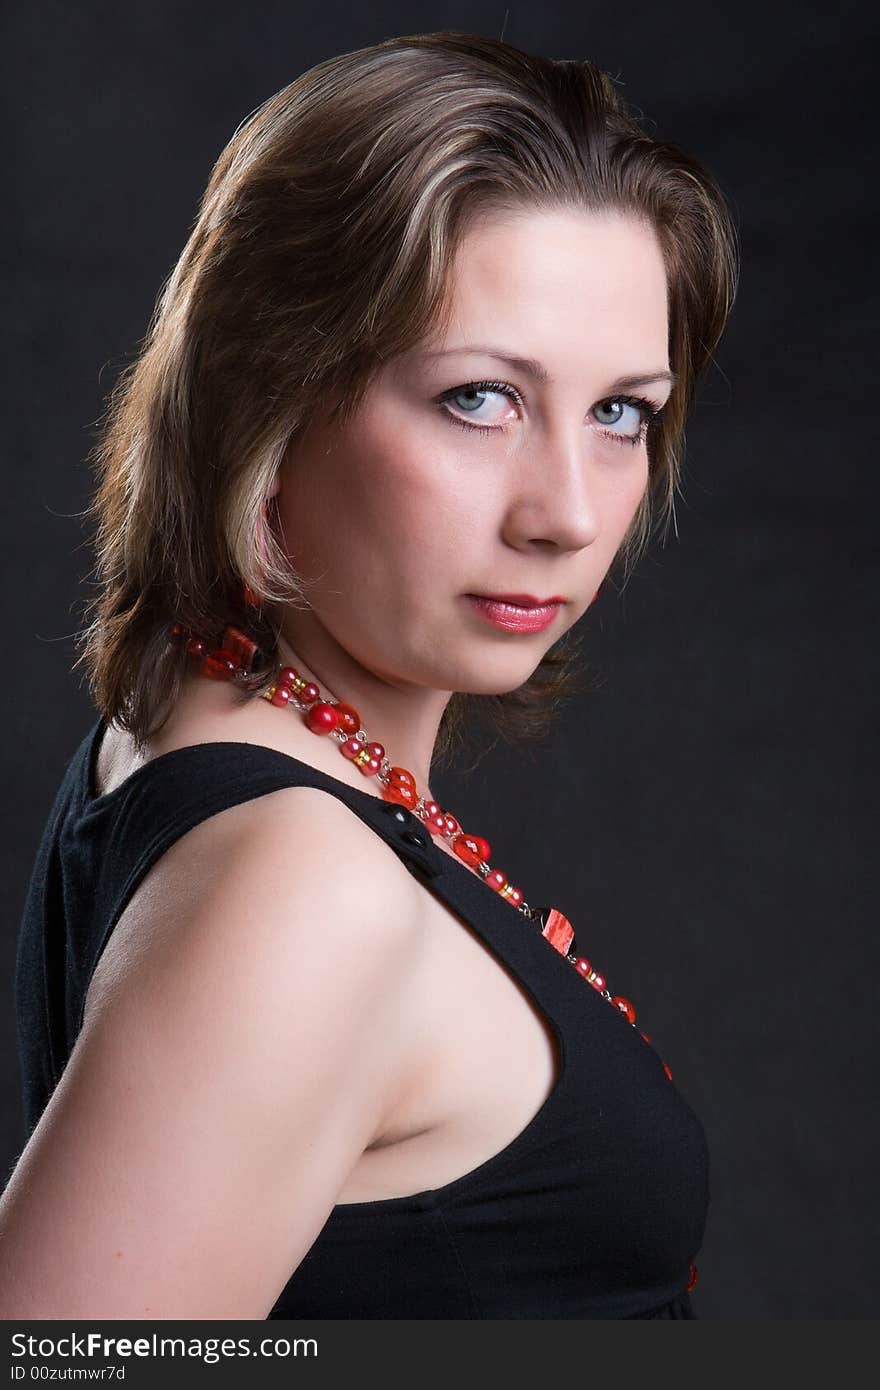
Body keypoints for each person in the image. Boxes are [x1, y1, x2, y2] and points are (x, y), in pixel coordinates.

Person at [2, 31, 739, 1319]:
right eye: (479, 399)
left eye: (620, 412)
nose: (566, 512)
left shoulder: (198, 735)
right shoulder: (299, 881)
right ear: (268, 397)